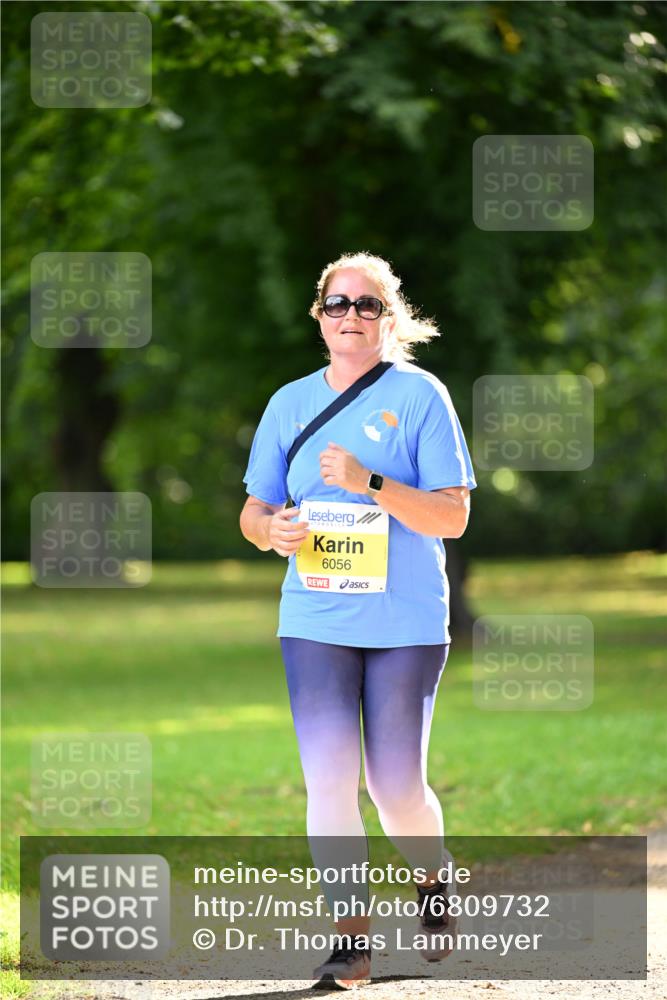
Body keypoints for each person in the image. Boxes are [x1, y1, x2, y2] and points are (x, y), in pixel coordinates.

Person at [239, 251, 476, 988]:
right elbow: (253, 509)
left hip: (404, 622)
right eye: (337, 304)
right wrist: (267, 532)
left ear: (388, 317)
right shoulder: (287, 403)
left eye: (366, 305)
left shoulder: (420, 397)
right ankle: (351, 942)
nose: (350, 316)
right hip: (314, 616)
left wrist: (370, 482)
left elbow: (453, 515)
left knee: (395, 785)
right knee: (331, 781)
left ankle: (433, 881)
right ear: (318, 316)